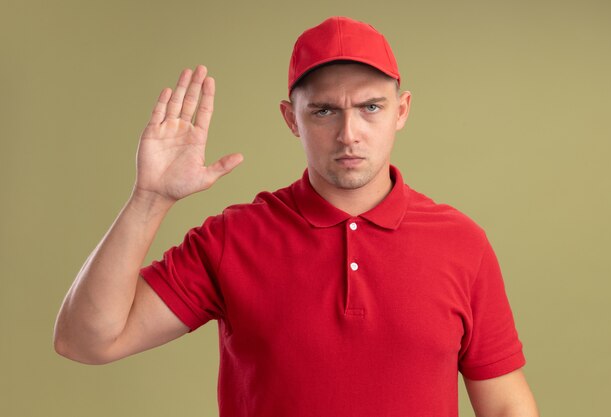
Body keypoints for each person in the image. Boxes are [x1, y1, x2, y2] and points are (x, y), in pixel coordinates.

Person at [54, 16, 539, 417]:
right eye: (325, 111)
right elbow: (85, 341)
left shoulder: (461, 243)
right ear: (291, 118)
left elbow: (505, 407)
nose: (349, 133)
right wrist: (149, 199)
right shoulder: (233, 237)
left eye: (371, 107)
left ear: (402, 110)